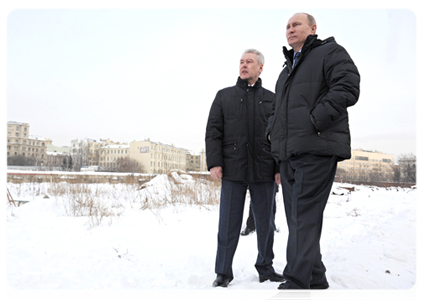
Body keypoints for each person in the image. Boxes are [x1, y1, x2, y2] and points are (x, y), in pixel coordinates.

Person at [266, 13, 360, 300]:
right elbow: (279, 114)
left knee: (304, 217)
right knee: (297, 219)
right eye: (287, 26)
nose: (290, 29)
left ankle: (295, 287)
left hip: (316, 149)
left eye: (296, 25)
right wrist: (273, 136)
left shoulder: (330, 52)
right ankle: (315, 276)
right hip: (290, 153)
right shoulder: (285, 72)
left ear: (313, 28)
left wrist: (315, 120)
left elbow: (348, 87)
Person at [205, 49, 283, 288]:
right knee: (228, 224)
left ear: (260, 68)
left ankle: (265, 268)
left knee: (265, 223)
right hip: (233, 170)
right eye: (241, 61)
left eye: (250, 61)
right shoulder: (224, 96)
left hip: (264, 170)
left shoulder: (273, 98)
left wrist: (279, 167)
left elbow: (280, 135)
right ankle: (223, 272)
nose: (244, 65)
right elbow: (213, 131)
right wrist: (215, 162)